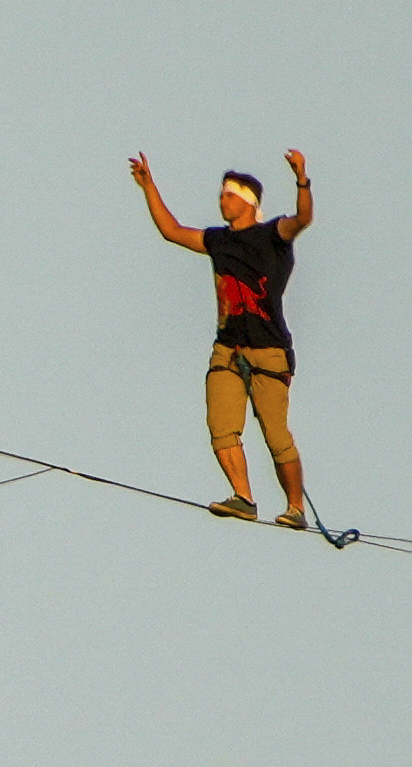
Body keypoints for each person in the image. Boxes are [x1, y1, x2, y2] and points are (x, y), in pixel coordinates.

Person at [131, 147, 314, 527]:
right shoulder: (218, 240)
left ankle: (295, 507)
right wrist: (149, 186)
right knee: (221, 428)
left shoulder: (273, 234)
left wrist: (301, 178)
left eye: (228, 195)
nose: (221, 201)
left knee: (276, 436)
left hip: (269, 352)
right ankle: (243, 497)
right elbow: (172, 231)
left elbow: (303, 218)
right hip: (227, 349)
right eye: (221, 195)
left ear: (248, 202)